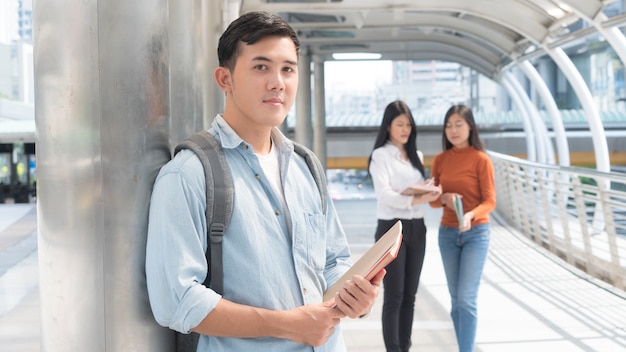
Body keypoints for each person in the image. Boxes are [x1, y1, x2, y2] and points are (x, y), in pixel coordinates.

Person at [145, 11, 382, 352]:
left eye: (288, 69)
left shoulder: (305, 166)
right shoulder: (188, 175)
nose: (278, 82)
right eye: (261, 67)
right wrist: (286, 326)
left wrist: (357, 297)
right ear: (224, 79)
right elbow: (178, 299)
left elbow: (332, 261)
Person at [367, 100, 441, 352]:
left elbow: (410, 196)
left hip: (417, 228)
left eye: (408, 124)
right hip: (391, 228)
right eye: (400, 124)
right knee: (394, 296)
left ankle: (404, 348)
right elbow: (385, 196)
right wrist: (417, 198)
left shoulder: (415, 156)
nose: (405, 129)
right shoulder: (380, 155)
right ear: (388, 126)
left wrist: (427, 190)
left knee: (410, 296)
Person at [429, 104, 496, 352]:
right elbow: (434, 200)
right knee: (456, 301)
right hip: (447, 233)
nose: (453, 130)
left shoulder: (481, 159)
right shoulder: (440, 160)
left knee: (466, 300)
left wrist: (470, 214)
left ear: (470, 126)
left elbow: (490, 201)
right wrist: (444, 198)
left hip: (476, 233)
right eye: (449, 125)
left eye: (459, 124)